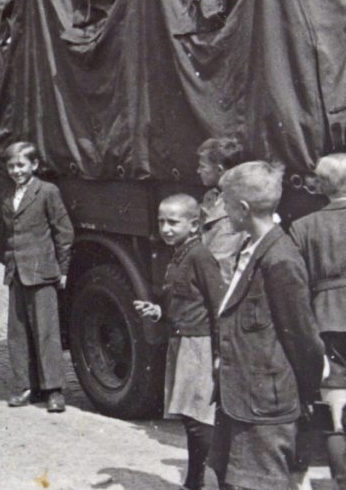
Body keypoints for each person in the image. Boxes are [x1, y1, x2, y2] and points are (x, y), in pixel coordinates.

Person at [209, 161, 324, 489]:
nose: (223, 212)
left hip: (265, 408)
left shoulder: (280, 259)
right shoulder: (250, 248)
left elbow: (304, 340)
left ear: (243, 209)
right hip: (241, 400)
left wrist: (300, 395)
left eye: (226, 204)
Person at [134, 194, 224, 490]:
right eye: (161, 221)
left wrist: (218, 353)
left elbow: (217, 305)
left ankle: (219, 480)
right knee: (190, 416)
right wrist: (159, 311)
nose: (166, 228)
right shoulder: (177, 254)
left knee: (199, 419)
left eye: (173, 222)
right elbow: (183, 301)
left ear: (194, 224)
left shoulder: (200, 256)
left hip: (197, 345)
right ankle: (195, 481)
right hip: (181, 342)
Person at [0, 141, 72, 413]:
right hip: (17, 273)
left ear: (34, 165)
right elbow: (7, 235)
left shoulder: (47, 192)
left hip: (42, 273)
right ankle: (26, 386)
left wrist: (62, 269)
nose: (16, 170)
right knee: (18, 333)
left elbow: (63, 232)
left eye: (21, 165)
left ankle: (54, 390)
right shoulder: (8, 197)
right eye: (11, 166)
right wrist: (8, 265)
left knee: (46, 332)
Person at [289, 153, 346, 489]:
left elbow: (296, 283)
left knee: (337, 411)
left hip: (327, 320)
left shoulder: (303, 227)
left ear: (321, 186)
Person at [197, 137, 248, 284]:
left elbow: (223, 270)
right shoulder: (213, 196)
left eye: (203, 166)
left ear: (219, 170)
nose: (198, 171)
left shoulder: (232, 212)